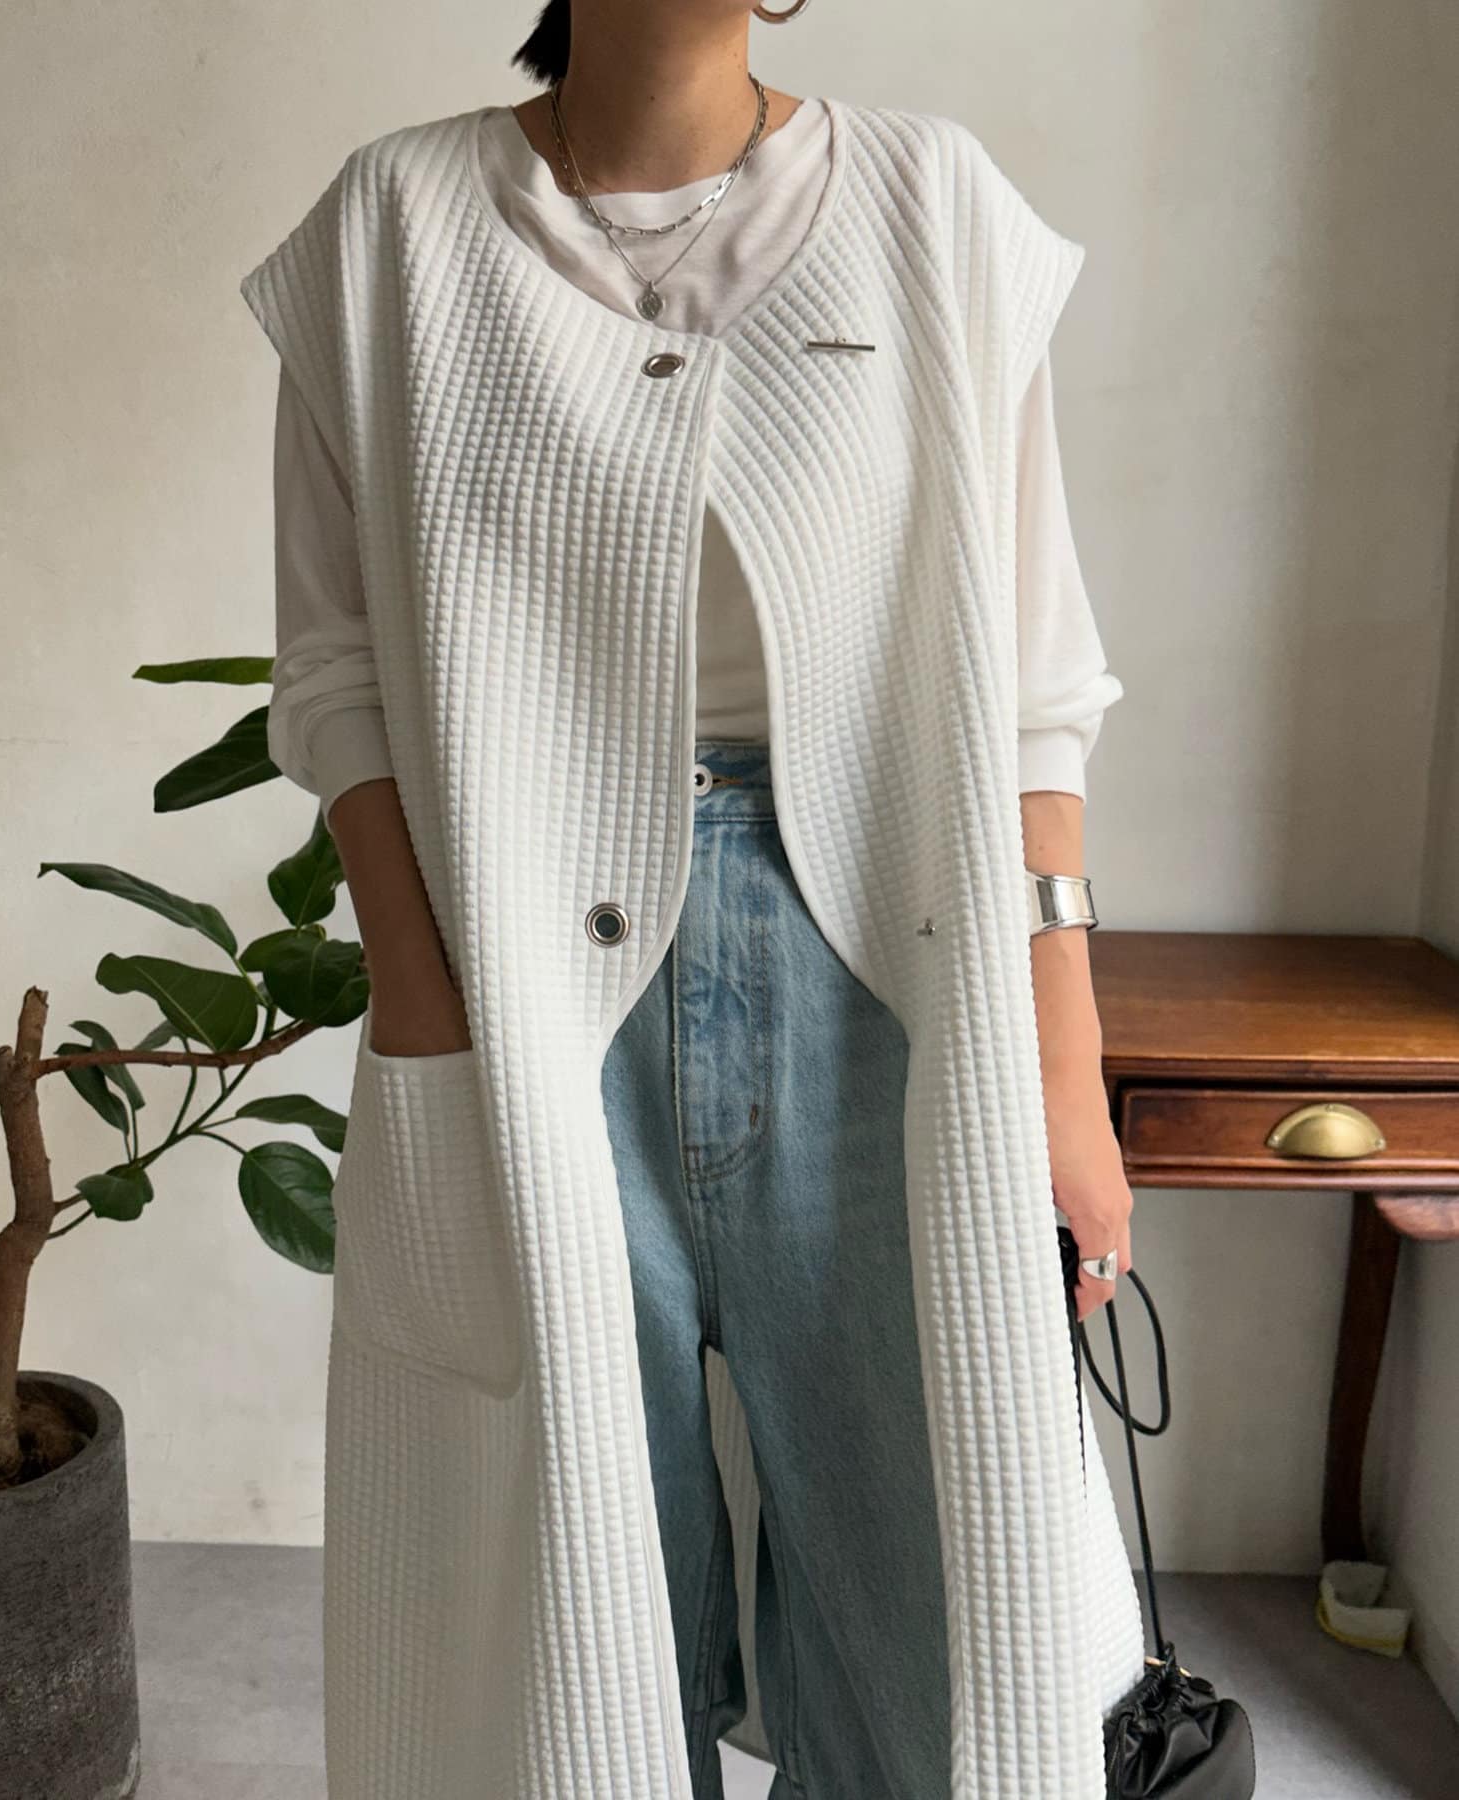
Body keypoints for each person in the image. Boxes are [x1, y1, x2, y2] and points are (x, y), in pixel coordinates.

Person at [242, 4, 1144, 1796]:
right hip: (521, 995)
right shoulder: (389, 227)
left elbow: (1038, 692)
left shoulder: (933, 202)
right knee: (567, 1639)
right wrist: (426, 1007)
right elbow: (336, 676)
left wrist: (1065, 1074)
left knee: (936, 1638)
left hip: (886, 993)